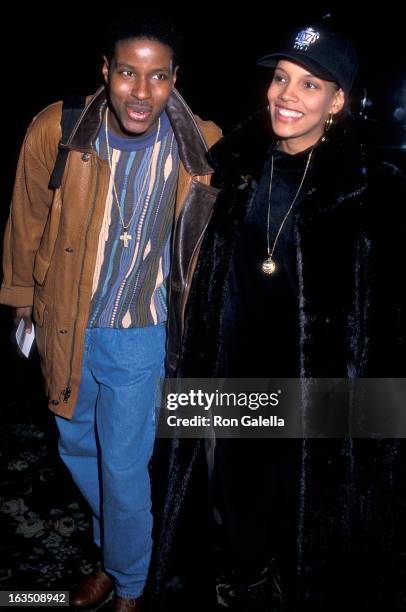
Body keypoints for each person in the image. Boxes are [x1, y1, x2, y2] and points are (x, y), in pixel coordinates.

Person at [150, 22, 406, 611]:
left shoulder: (372, 193)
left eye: (310, 85)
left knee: (308, 523)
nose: (286, 95)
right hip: (234, 383)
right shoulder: (233, 174)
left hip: (319, 399)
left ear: (337, 102)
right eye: (281, 78)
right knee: (233, 507)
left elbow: (386, 329)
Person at [0, 11, 221, 612]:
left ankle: (128, 583)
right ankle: (114, 549)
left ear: (176, 78)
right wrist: (22, 299)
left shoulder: (201, 146)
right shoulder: (60, 129)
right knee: (77, 450)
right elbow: (26, 217)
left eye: (157, 76)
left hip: (141, 334)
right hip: (65, 322)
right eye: (127, 73)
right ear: (107, 71)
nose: (141, 92)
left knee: (122, 469)